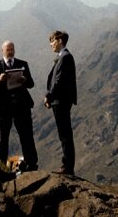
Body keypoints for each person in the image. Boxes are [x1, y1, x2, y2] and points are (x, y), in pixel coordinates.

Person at [0, 40, 38, 171]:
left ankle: (31, 163)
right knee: (1, 138)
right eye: (8, 49)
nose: (10, 52)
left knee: (26, 136)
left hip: (22, 106)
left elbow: (31, 83)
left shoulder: (23, 64)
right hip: (3, 107)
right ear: (2, 50)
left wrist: (25, 80)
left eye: (12, 49)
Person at [44, 29, 77, 176]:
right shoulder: (63, 57)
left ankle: (67, 167)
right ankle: (67, 165)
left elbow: (58, 81)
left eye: (52, 41)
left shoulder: (65, 57)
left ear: (59, 41)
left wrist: (49, 96)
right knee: (64, 134)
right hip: (60, 100)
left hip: (61, 100)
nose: (51, 44)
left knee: (65, 135)